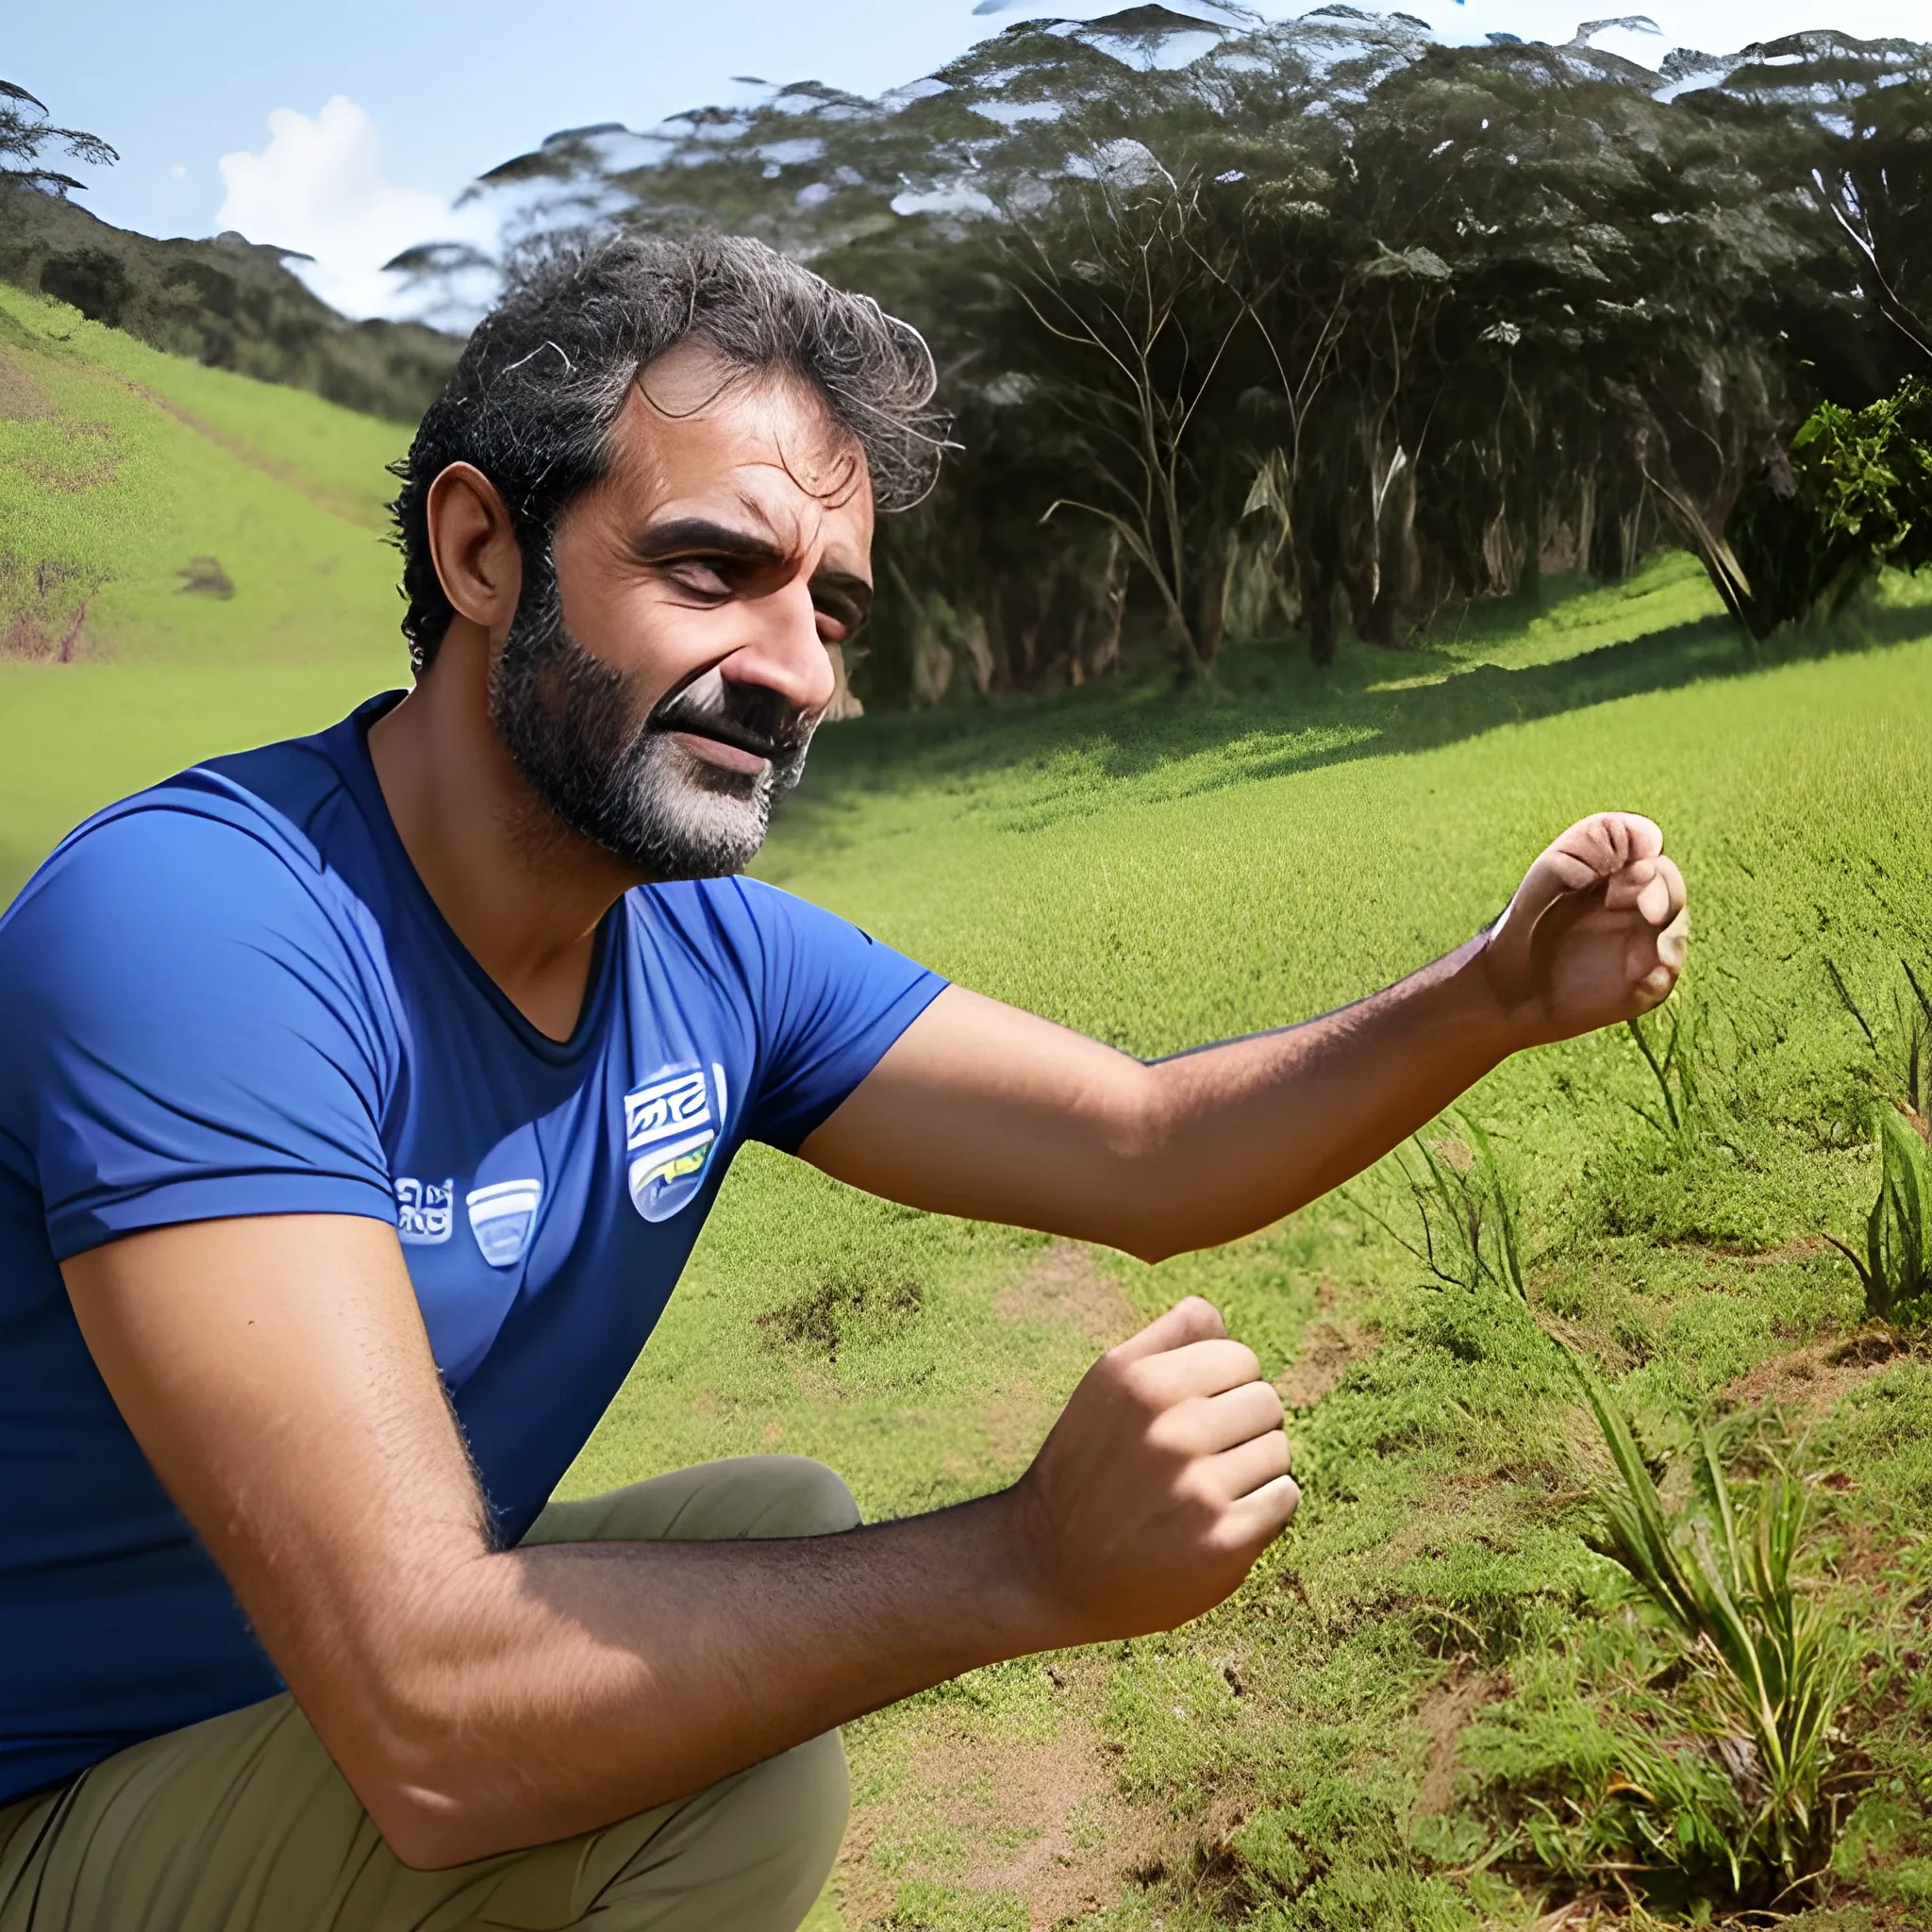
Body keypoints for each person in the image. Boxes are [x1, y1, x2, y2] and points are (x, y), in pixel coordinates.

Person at [0, 232, 1688, 1932]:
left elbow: (1154, 1150)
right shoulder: (206, 928)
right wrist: (1027, 1561)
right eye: (713, 571)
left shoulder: (706, 955)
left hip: (282, 1721)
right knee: (726, 1751)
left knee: (779, 1518)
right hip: (54, 1797)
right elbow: (436, 1720)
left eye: (830, 606)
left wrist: (1482, 1000)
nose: (799, 671)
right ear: (481, 547)